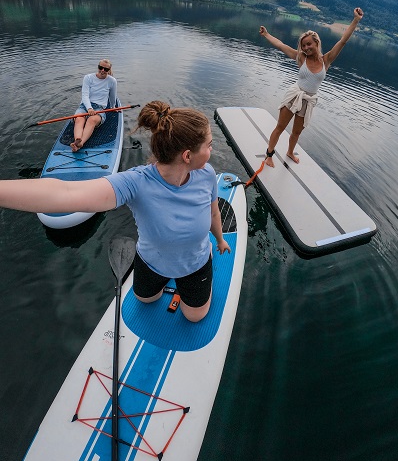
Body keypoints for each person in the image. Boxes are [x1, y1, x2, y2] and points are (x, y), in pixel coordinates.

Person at [0, 101, 231, 322]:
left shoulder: (207, 174)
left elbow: (213, 213)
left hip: (195, 263)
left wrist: (219, 240)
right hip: (152, 263)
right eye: (209, 145)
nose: (212, 149)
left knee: (194, 317)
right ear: (187, 155)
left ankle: (205, 254)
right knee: (145, 299)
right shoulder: (136, 182)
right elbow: (65, 192)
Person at [259, 7, 364, 167]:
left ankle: (289, 152)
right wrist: (266, 34)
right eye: (303, 46)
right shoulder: (300, 58)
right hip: (295, 96)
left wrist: (355, 20)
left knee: (296, 132)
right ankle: (269, 155)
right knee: (280, 126)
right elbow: (281, 45)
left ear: (316, 43)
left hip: (308, 101)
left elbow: (343, 40)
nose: (306, 48)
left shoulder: (326, 60)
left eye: (309, 44)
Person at [70, 59, 117, 152]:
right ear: (98, 67)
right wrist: (89, 108)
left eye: (106, 69)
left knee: (92, 120)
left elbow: (112, 96)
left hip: (99, 108)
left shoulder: (112, 81)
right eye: (101, 67)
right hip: (84, 106)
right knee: (79, 119)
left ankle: (81, 143)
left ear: (109, 70)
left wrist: (113, 107)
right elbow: (85, 95)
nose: (102, 70)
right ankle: (77, 140)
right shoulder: (88, 78)